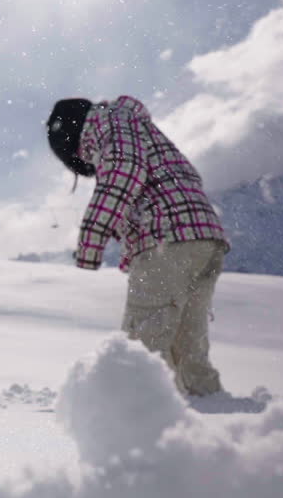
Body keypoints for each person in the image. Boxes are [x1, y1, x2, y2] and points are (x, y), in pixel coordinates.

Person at [47, 95, 229, 396]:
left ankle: (141, 414)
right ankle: (208, 409)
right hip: (203, 237)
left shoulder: (108, 125)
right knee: (188, 345)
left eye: (78, 155)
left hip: (166, 239)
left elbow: (124, 172)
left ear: (75, 133)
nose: (86, 161)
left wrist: (90, 246)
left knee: (144, 341)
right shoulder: (135, 125)